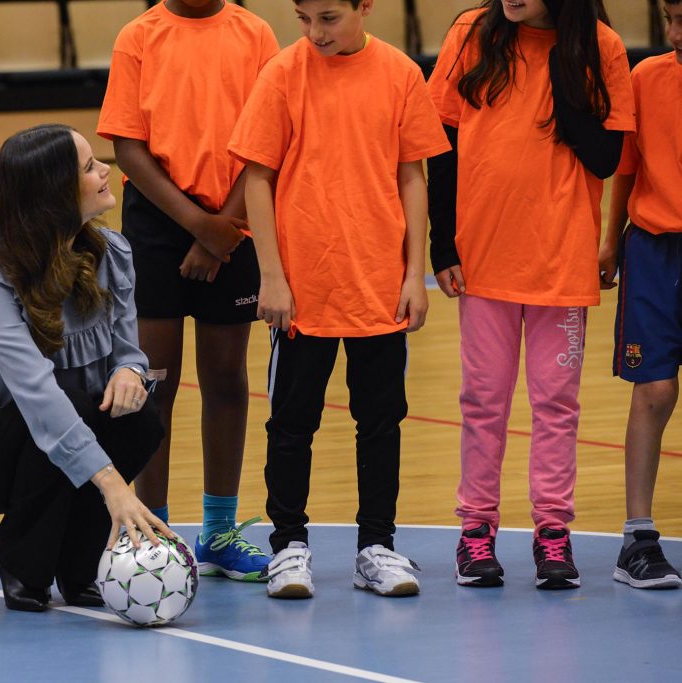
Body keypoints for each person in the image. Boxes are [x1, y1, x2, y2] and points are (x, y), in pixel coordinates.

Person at [228, 0, 450, 599]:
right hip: (303, 290)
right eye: (303, 18)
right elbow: (257, 179)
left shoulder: (401, 74)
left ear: (364, 8)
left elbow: (412, 178)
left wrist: (413, 273)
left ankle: (376, 546)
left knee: (381, 421)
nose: (314, 32)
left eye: (328, 18)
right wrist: (272, 277)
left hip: (379, 286)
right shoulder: (282, 73)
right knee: (291, 423)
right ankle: (289, 546)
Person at [426, 0, 635, 590]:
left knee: (557, 405)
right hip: (484, 259)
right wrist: (444, 246)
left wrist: (569, 64)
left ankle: (552, 532)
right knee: (483, 401)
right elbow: (440, 145)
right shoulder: (472, 32)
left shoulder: (601, 47)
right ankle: (476, 532)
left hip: (560, 262)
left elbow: (606, 156)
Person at [0, 124, 173, 612]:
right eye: (88, 167)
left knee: (138, 421)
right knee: (64, 412)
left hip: (67, 428)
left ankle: (80, 569)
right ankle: (24, 567)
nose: (106, 170)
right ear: (54, 192)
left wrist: (129, 371)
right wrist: (114, 487)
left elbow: (128, 348)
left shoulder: (113, 253)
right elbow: (37, 396)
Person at [97, 0, 279, 581]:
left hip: (238, 218)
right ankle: (156, 531)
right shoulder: (139, 36)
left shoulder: (254, 34)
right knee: (154, 383)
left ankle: (219, 532)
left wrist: (223, 229)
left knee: (227, 378)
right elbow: (128, 146)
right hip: (157, 223)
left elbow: (267, 142)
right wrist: (199, 227)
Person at [596, 0, 682, 590]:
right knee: (653, 387)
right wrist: (608, 242)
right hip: (654, 250)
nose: (676, 34)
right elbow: (625, 168)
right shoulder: (648, 77)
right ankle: (638, 538)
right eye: (671, 20)